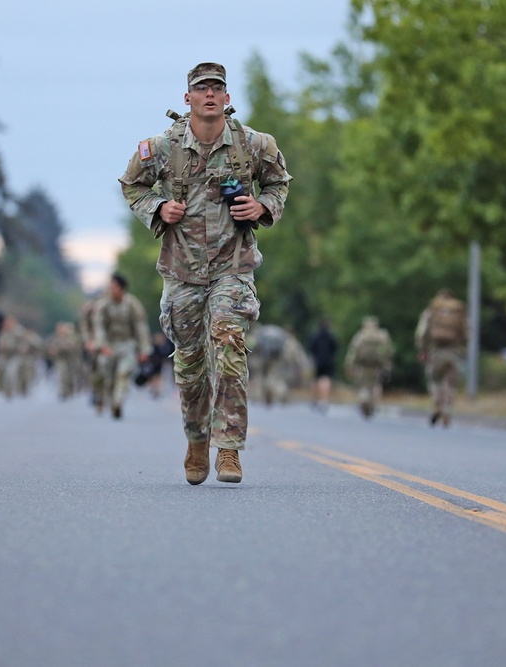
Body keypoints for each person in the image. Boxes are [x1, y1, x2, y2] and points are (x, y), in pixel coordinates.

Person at [119, 62, 290, 484]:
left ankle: (228, 448)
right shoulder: (161, 148)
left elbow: (278, 182)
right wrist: (157, 208)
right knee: (192, 366)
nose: (209, 95)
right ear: (188, 98)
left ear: (227, 98)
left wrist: (263, 207)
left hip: (233, 267)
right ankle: (197, 441)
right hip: (181, 271)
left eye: (217, 88)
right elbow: (132, 185)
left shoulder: (254, 145)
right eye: (201, 89)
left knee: (229, 347)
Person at [93, 274, 152, 420]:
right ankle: (106, 398)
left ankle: (117, 402)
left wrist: (144, 349)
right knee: (105, 373)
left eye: (113, 287)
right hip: (109, 345)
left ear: (121, 288)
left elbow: (141, 327)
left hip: (127, 345)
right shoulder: (103, 305)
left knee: (123, 373)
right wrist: (102, 345)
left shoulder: (132, 304)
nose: (110, 290)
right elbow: (99, 326)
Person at [415, 289, 467, 427]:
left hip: (436, 352)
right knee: (450, 383)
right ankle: (447, 409)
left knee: (435, 380)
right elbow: (467, 332)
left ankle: (437, 404)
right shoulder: (459, 311)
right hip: (454, 352)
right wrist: (462, 348)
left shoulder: (432, 311)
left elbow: (422, 333)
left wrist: (423, 350)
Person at [345, 316, 394, 418]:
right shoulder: (382, 336)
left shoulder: (360, 336)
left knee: (363, 385)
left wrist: (350, 364)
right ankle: (374, 404)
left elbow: (353, 352)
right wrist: (387, 365)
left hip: (363, 366)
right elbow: (388, 352)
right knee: (376, 385)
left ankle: (364, 399)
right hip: (377, 366)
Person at [79, 294, 107, 412]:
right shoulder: (88, 315)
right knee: (94, 372)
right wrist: (88, 342)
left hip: (107, 345)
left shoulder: (107, 309)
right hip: (93, 346)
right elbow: (84, 329)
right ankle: (97, 394)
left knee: (105, 369)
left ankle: (105, 395)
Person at [307, 318, 338, 413]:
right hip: (328, 361)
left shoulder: (315, 336)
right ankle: (324, 400)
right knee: (326, 380)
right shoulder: (331, 337)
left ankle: (315, 399)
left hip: (317, 361)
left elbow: (311, 347)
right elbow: (335, 348)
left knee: (316, 380)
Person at [46, 322, 81, 400]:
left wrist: (68, 347)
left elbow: (76, 347)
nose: (61, 330)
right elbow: (49, 348)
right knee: (62, 374)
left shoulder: (72, 337)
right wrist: (53, 351)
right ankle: (63, 391)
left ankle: (70, 389)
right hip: (60, 359)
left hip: (71, 359)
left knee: (70, 376)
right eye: (59, 329)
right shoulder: (54, 338)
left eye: (62, 328)